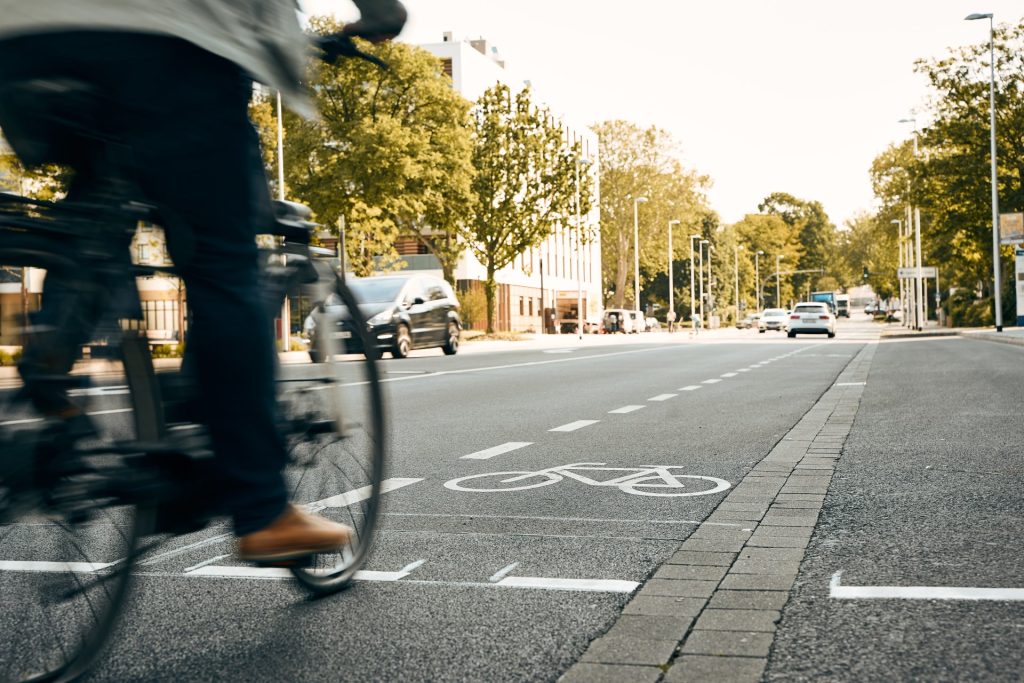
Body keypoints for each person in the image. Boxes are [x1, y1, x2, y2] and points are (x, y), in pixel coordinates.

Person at [0, 0, 407, 562]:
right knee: (223, 261)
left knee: (97, 214)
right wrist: (381, 10)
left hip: (21, 40)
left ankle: (50, 360)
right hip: (167, 39)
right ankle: (263, 508)